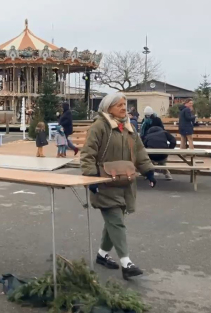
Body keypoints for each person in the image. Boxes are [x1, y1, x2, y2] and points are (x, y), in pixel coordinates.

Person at [81, 93, 156, 280]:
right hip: (105, 182)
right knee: (116, 220)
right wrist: (91, 177)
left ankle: (102, 254)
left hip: (125, 181)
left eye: (124, 104)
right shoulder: (99, 126)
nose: (124, 108)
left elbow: (139, 151)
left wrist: (148, 171)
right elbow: (88, 153)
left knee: (114, 221)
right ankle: (126, 262)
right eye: (119, 105)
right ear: (108, 108)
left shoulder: (128, 127)